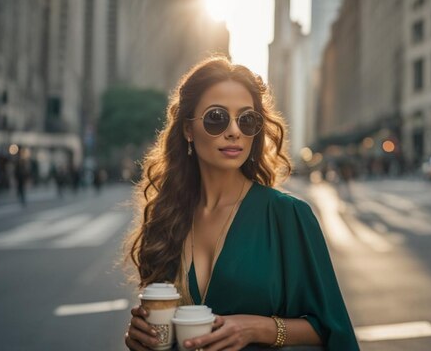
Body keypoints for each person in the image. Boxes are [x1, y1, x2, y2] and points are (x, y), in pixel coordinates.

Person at [123, 56, 359, 351]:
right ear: (187, 129)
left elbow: (332, 330)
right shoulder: (165, 219)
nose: (234, 130)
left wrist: (260, 328)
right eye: (216, 118)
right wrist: (139, 337)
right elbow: (160, 322)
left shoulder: (287, 215)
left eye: (247, 120)